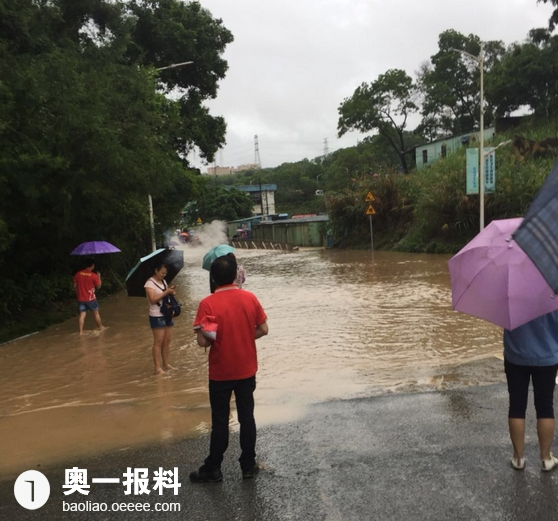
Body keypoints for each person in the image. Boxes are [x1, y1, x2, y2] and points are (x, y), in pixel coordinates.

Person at [190, 254, 268, 483]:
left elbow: (203, 342)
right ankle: (248, 466)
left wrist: (207, 335)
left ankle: (213, 467)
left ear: (213, 277)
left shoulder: (208, 304)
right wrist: (245, 336)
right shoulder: (249, 298)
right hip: (246, 369)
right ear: (235, 275)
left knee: (221, 421)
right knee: (247, 417)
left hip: (220, 373)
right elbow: (263, 329)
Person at [504, 310, 558, 471]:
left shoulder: (511, 290)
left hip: (515, 355)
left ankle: (518, 457)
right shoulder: (554, 290)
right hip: (547, 356)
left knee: (516, 406)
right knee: (545, 407)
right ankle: (545, 458)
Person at [144, 263, 176, 375]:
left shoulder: (164, 282)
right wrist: (166, 292)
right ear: (156, 270)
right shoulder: (149, 283)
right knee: (158, 342)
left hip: (166, 313)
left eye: (165, 273)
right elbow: (152, 300)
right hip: (156, 315)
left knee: (167, 341)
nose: (164, 275)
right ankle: (157, 368)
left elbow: (165, 296)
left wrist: (170, 292)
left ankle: (166, 363)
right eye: (162, 273)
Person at [73, 258, 103, 335]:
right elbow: (98, 286)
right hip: (91, 299)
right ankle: (100, 328)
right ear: (92, 266)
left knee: (82, 315)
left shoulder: (78, 274)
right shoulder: (93, 275)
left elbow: (75, 286)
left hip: (81, 299)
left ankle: (80, 332)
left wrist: (77, 295)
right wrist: (99, 276)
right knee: (96, 314)